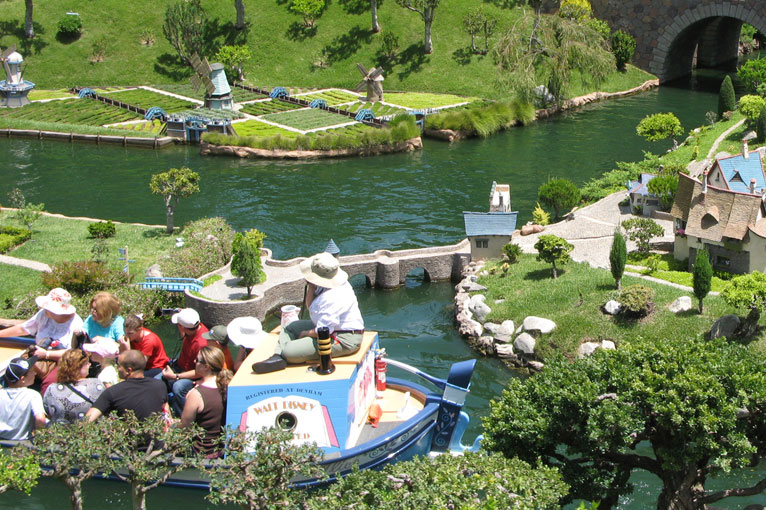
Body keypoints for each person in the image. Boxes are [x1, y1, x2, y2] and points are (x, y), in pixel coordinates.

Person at [251, 252, 364, 374]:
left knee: (289, 351)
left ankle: (284, 353)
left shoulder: (332, 297)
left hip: (344, 337)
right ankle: (278, 356)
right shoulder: (325, 286)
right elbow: (311, 307)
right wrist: (311, 285)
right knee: (290, 327)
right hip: (331, 327)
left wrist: (305, 333)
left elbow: (324, 330)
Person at [0, 288, 83, 364]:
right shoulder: (44, 314)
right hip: (38, 360)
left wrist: (47, 354)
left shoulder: (76, 325)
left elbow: (75, 353)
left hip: (61, 366)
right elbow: (23, 329)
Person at [86, 350, 168, 421]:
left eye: (118, 365)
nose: (117, 368)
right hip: (155, 437)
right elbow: (167, 414)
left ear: (129, 370)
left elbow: (88, 421)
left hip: (126, 438)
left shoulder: (113, 392)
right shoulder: (160, 386)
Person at [179, 346, 233, 457]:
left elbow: (185, 428)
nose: (194, 361)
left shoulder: (196, 394)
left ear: (206, 366)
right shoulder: (229, 386)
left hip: (203, 454)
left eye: (197, 360)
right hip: (224, 451)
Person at [161, 308, 208, 416]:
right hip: (180, 366)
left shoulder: (201, 344)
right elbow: (186, 335)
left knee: (178, 387)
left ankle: (185, 416)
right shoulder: (194, 327)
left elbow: (199, 372)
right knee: (157, 380)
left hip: (194, 376)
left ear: (183, 327)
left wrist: (176, 376)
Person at [43, 349, 105, 424]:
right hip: (88, 433)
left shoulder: (52, 389)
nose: (90, 364)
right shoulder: (96, 385)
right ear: (78, 366)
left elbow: (48, 411)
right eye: (86, 363)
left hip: (59, 433)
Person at [0, 356, 46, 440]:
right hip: (21, 447)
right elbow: (40, 419)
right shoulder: (33, 395)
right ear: (23, 379)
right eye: (32, 371)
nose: (35, 373)